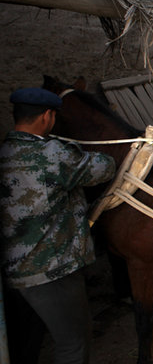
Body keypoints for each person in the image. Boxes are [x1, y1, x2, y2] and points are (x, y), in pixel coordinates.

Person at [0, 87, 115, 364]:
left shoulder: (5, 151)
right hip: (52, 272)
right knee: (73, 345)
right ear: (48, 117)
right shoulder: (53, 155)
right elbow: (105, 166)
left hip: (13, 273)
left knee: (25, 343)